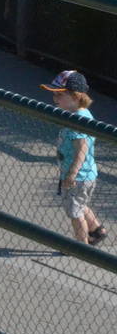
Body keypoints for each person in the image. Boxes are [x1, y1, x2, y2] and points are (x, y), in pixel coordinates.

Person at [44, 70, 106, 245]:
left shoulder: (78, 120)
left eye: (60, 94)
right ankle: (97, 230)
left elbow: (81, 150)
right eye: (54, 94)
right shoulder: (79, 114)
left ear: (76, 96)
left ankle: (81, 245)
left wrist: (72, 173)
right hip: (86, 175)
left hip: (78, 177)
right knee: (80, 204)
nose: (55, 98)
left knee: (75, 213)